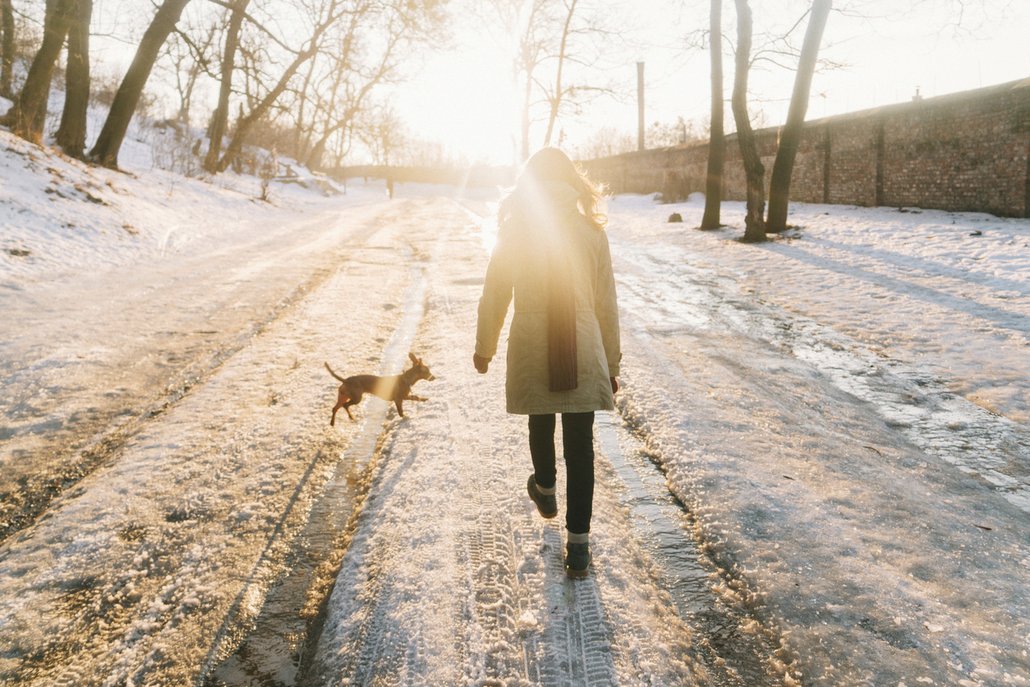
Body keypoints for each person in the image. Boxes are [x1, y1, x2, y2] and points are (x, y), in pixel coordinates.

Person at [473, 147, 621, 578]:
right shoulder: (592, 231)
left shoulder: (516, 231)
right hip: (583, 347)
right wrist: (611, 363)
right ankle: (578, 548)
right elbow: (606, 304)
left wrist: (484, 347)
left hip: (533, 344)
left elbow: (495, 292)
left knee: (540, 419)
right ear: (571, 181)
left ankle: (545, 487)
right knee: (580, 446)